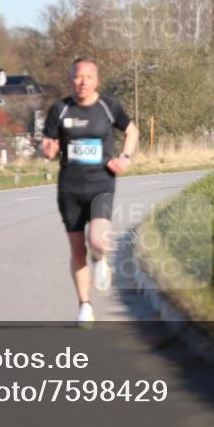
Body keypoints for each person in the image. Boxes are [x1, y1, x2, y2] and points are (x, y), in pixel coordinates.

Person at [41, 58, 139, 326]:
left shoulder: (109, 106)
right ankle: (85, 305)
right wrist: (47, 150)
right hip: (70, 188)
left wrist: (125, 157)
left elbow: (131, 131)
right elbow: (48, 144)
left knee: (97, 241)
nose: (82, 82)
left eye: (88, 77)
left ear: (96, 80)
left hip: (101, 183)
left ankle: (101, 258)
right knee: (76, 250)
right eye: (77, 77)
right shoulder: (60, 109)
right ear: (71, 79)